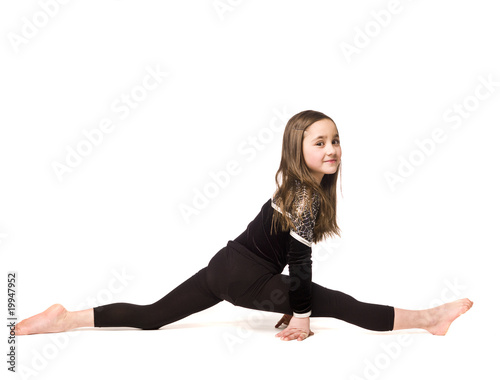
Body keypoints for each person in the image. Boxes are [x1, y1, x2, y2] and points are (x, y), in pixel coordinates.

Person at [15, 110, 473, 341]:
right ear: (299, 149)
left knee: (153, 317)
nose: (332, 148)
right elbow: (300, 263)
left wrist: (285, 299)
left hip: (226, 264)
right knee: (338, 302)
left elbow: (284, 256)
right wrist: (303, 314)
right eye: (320, 142)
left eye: (336, 140)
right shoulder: (305, 195)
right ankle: (431, 319)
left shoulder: (294, 185)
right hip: (242, 274)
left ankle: (66, 318)